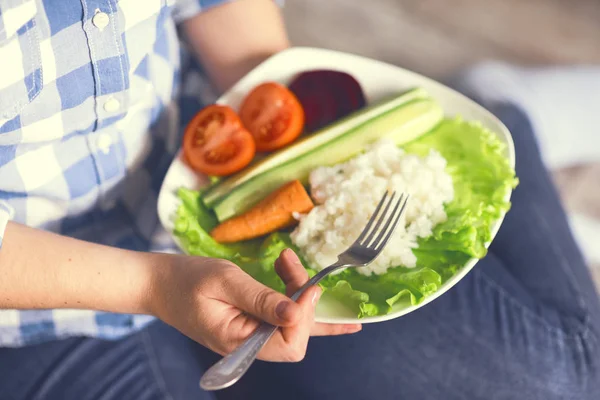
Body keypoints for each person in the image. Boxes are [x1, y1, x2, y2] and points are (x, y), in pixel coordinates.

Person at [0, 1, 598, 399]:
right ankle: (511, 112)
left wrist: (283, 104)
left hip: (216, 165)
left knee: (554, 383)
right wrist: (153, 286)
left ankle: (505, 109)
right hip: (47, 313)